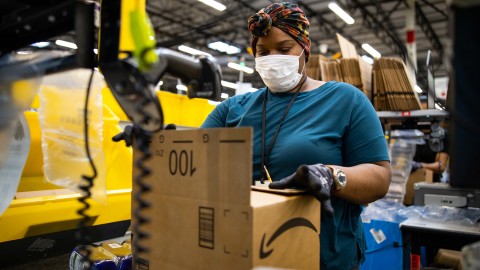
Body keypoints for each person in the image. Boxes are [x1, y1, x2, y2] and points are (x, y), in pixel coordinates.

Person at [201, 2, 392, 269]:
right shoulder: (232, 110)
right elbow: (192, 157)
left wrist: (330, 175)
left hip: (323, 257)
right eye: (262, 51)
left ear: (304, 48)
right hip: (246, 253)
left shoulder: (346, 100)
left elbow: (380, 178)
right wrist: (154, 140)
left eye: (283, 49)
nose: (271, 58)